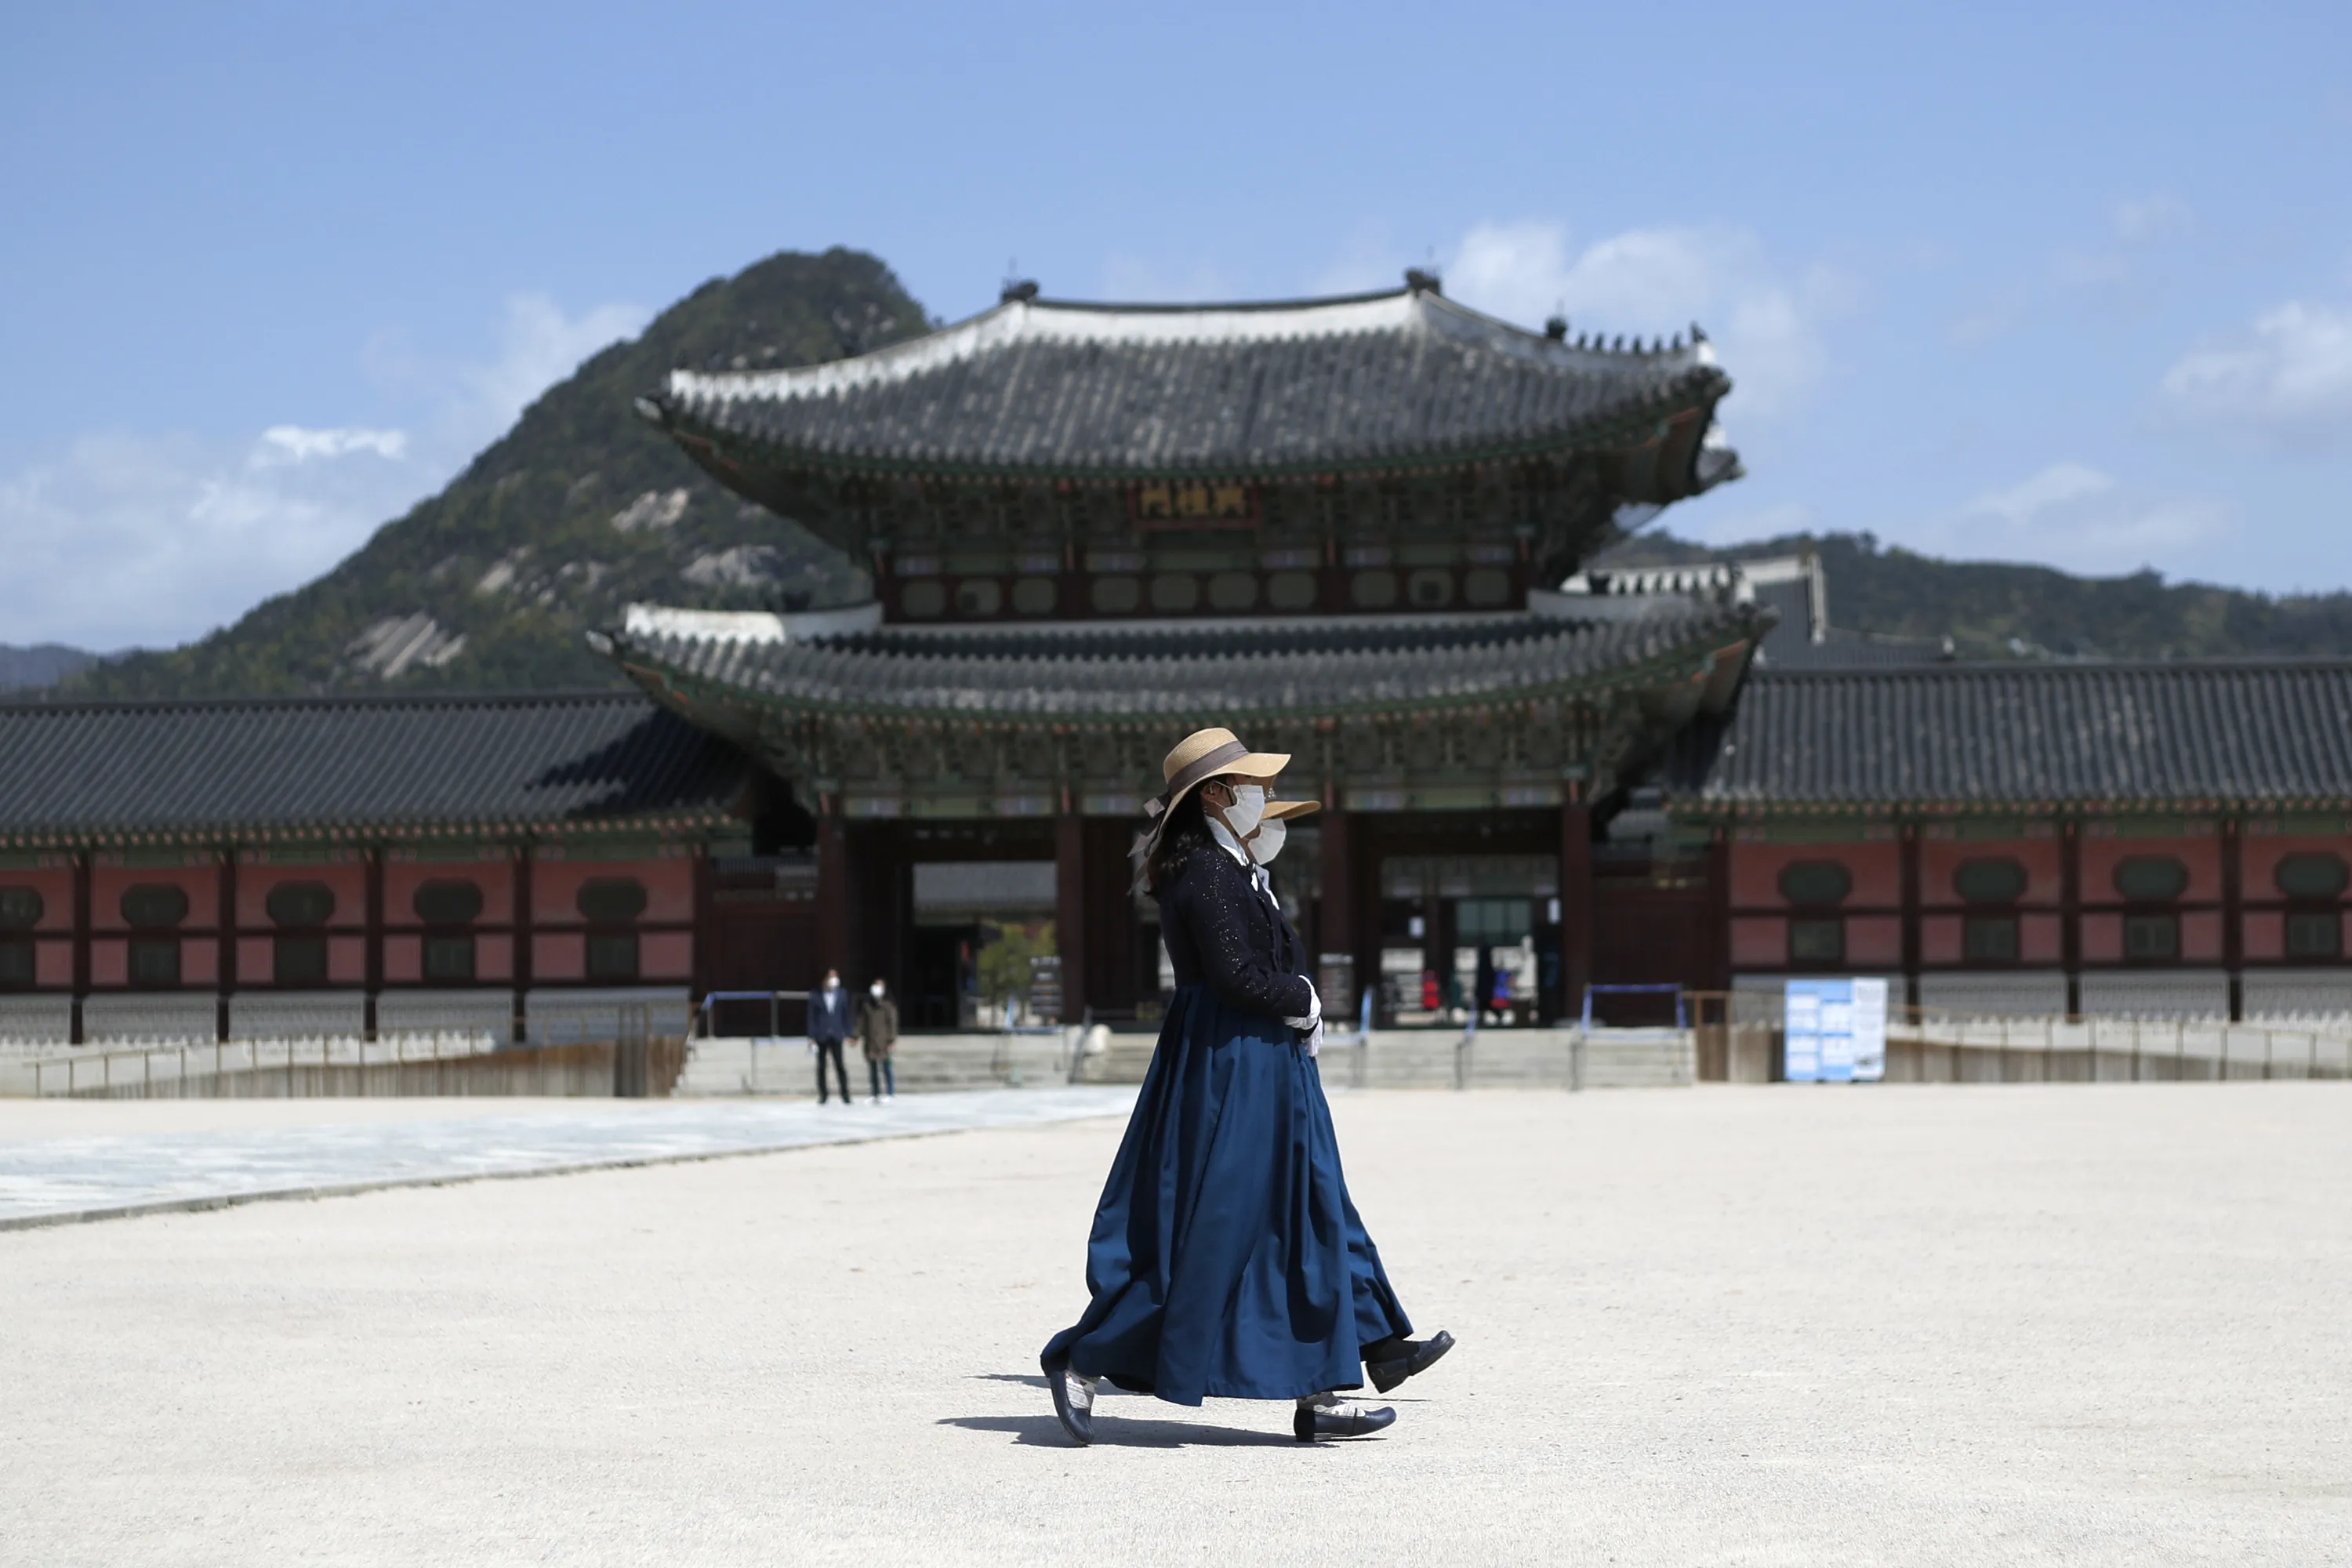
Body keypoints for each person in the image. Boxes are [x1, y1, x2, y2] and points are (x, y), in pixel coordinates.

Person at [1041, 728, 1454, 1446]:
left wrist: (1297, 1006)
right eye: (1254, 786)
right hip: (1230, 1060)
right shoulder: (1205, 871)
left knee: (1309, 1206)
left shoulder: (1231, 871)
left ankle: (1329, 1384)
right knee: (1216, 1222)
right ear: (1215, 794)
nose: (1266, 798)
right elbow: (1235, 975)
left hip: (1267, 1056)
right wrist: (1304, 1000)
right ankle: (1082, 1358)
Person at [808, 968, 853, 1105]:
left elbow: (846, 1015)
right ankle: (823, 1094)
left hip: (837, 1035)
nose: (834, 980)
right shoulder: (816, 995)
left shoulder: (842, 994)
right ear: (825, 980)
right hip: (822, 1035)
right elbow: (811, 1017)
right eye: (831, 977)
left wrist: (849, 1033)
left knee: (840, 1065)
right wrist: (811, 1037)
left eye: (836, 977)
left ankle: (845, 1094)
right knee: (821, 1066)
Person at [858, 978, 898, 1103]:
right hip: (871, 1042)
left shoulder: (888, 1006)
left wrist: (891, 1040)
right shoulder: (867, 1006)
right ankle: (875, 1093)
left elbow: (892, 1024)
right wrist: (855, 1036)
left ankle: (890, 1092)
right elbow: (862, 1023)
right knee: (873, 1069)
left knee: (887, 1068)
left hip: (884, 1042)